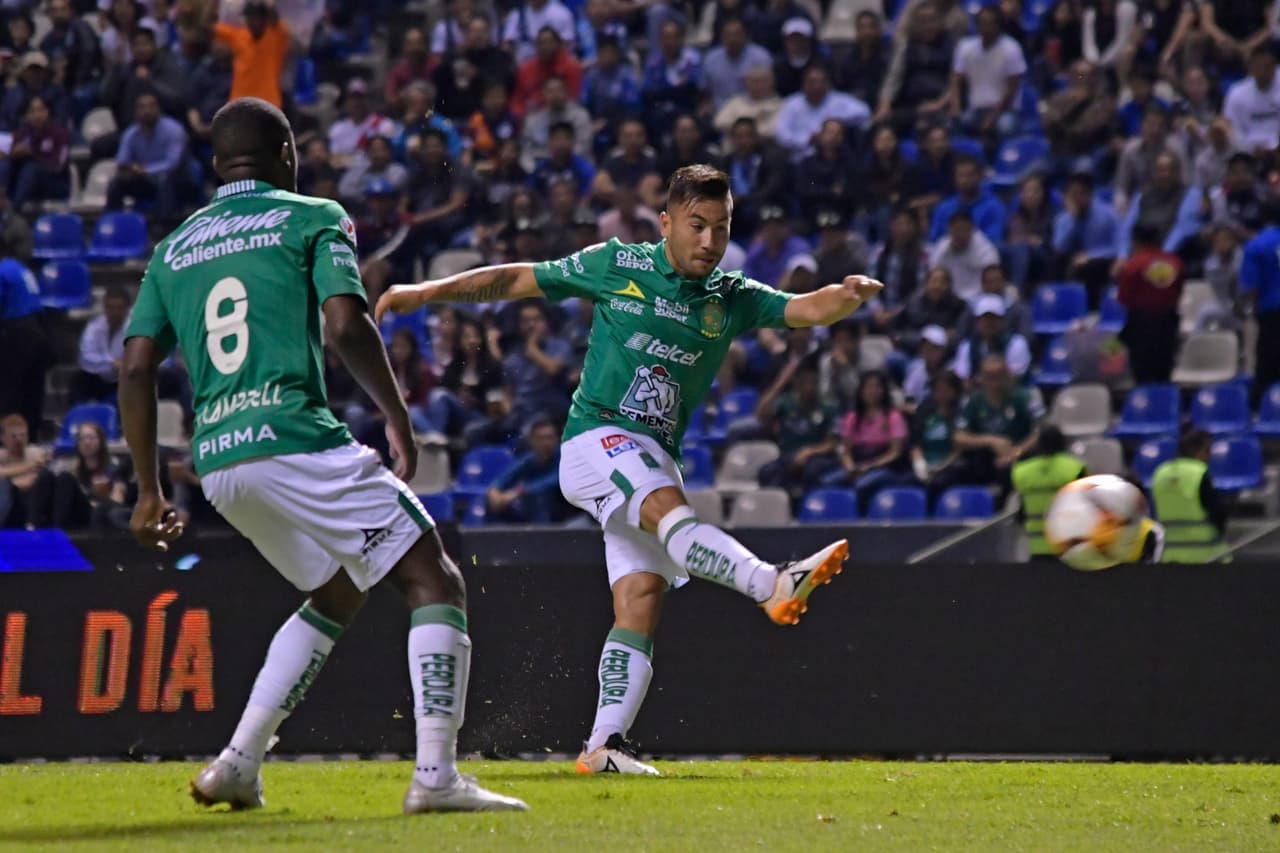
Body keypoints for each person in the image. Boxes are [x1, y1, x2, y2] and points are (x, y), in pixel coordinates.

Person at [377, 163, 881, 775]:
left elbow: (805, 308)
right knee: (671, 512)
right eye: (697, 226)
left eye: (721, 229)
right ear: (666, 222)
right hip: (596, 440)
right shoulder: (619, 264)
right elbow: (518, 279)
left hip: (652, 454)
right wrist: (429, 293)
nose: (709, 242)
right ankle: (770, 584)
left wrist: (848, 296)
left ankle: (603, 746)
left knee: (640, 596)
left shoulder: (731, 297)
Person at [119, 98, 526, 814]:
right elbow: (346, 322)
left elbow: (133, 366)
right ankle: (436, 778)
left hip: (219, 460)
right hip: (294, 435)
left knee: (337, 589)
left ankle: (238, 762)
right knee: (435, 577)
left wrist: (149, 489)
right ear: (288, 155)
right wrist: (397, 416)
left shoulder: (173, 247)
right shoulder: (314, 215)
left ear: (217, 166)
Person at [933, 354, 1039, 501]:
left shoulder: (1024, 397)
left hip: (1017, 459)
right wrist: (991, 441)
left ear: (1008, 375)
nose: (995, 383)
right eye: (990, 377)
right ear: (981, 378)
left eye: (999, 376)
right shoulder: (974, 401)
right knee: (942, 481)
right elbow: (958, 437)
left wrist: (1017, 451)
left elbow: (1041, 431)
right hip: (983, 458)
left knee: (1006, 474)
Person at [755, 355, 840, 501]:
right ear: (797, 383)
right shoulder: (786, 403)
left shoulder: (829, 407)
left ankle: (809, 509)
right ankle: (777, 510)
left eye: (814, 382)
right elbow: (760, 414)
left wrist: (809, 452)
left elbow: (832, 443)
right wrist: (780, 384)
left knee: (812, 470)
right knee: (767, 471)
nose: (810, 387)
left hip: (817, 458)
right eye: (805, 382)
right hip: (789, 457)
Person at [824, 370, 910, 511]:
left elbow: (895, 452)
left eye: (877, 387)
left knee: (862, 485)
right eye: (868, 387)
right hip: (858, 465)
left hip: (884, 467)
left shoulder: (893, 417)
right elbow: (846, 450)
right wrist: (850, 467)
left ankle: (861, 523)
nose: (872, 391)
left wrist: (870, 466)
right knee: (828, 482)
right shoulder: (853, 417)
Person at [107, 91, 189, 225]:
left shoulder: (174, 130)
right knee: (116, 183)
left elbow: (173, 163)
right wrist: (129, 169)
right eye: (142, 107)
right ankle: (112, 226)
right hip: (144, 180)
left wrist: (145, 170)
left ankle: (162, 228)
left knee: (165, 179)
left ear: (159, 109)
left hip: (176, 179)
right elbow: (122, 161)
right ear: (135, 111)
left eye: (151, 106)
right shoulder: (131, 133)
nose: (147, 111)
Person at [1117, 222, 1183, 383]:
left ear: (1135, 241)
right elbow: (1178, 291)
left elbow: (1123, 298)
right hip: (1167, 323)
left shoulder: (1133, 266)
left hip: (1141, 325)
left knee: (1142, 374)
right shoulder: (1175, 263)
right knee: (1164, 372)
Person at [947, 5, 1027, 141]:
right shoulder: (965, 47)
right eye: (982, 23)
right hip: (975, 108)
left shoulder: (1011, 48)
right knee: (950, 126)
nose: (986, 27)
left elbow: (1012, 90)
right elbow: (956, 81)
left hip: (1004, 110)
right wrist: (955, 109)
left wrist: (992, 117)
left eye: (990, 23)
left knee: (1005, 127)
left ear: (998, 25)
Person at [1151, 429, 1229, 562]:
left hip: (1169, 556)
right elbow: (1218, 513)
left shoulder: (1160, 473)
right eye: (1207, 451)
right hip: (1204, 555)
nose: (1209, 457)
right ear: (1196, 450)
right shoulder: (1199, 472)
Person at [1010, 425, 1086, 560]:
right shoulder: (1074, 468)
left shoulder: (1022, 472)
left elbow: (1022, 513)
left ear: (1039, 445)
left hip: (1037, 548)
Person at [773, 63, 869, 162]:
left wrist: (836, 121)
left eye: (821, 82)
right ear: (803, 83)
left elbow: (864, 113)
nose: (817, 86)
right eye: (812, 82)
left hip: (833, 159)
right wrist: (807, 139)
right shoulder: (792, 104)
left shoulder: (837, 100)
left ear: (827, 84)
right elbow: (781, 135)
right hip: (800, 160)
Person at [1052, 171, 1121, 308]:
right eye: (1072, 194)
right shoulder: (1064, 219)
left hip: (1101, 262)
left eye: (1080, 193)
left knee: (1089, 267)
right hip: (1072, 262)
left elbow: (1119, 247)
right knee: (1056, 263)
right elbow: (1059, 247)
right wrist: (1073, 220)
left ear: (1089, 194)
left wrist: (1092, 255)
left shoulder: (1108, 214)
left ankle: (1092, 310)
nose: (1076, 198)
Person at [485, 417, 570, 523]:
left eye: (549, 437)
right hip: (533, 514)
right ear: (531, 441)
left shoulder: (566, 459)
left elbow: (552, 481)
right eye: (540, 438)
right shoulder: (529, 459)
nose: (546, 443)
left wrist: (518, 491)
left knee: (539, 498)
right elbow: (506, 476)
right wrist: (494, 491)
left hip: (565, 515)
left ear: (557, 439)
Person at [0, 246, 46, 434]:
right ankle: (32, 435)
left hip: (18, 332)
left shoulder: (2, 270)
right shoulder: (19, 266)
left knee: (11, 392)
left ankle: (7, 439)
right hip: (40, 328)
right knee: (33, 391)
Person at [209, 0, 289, 107]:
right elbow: (208, 27)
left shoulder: (276, 36)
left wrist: (267, 4)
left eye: (256, 17)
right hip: (239, 104)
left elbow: (275, 19)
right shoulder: (239, 36)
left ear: (264, 18)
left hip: (268, 105)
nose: (251, 21)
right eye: (249, 17)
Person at [1241, 209, 1280, 405]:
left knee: (1268, 364)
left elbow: (1251, 287)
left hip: (1271, 312)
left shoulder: (1257, 245)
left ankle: (1265, 410)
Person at [72, 285, 132, 404]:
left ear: (127, 309)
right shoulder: (94, 326)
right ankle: (77, 417)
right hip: (99, 378)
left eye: (119, 308)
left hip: (125, 381)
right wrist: (112, 363)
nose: (114, 312)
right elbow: (85, 358)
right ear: (104, 307)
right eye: (110, 308)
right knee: (78, 380)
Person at [951, 294, 1031, 383]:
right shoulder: (967, 346)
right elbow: (965, 381)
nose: (989, 323)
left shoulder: (1017, 343)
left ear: (1002, 321)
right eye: (985, 318)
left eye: (994, 318)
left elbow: (1014, 379)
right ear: (977, 321)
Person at [929, 155, 1008, 244]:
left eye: (970, 175)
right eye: (960, 176)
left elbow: (993, 241)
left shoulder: (994, 207)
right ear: (954, 178)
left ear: (980, 176)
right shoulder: (943, 208)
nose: (964, 180)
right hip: (948, 255)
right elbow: (933, 241)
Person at [929, 211, 1001, 301]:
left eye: (965, 229)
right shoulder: (942, 247)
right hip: (948, 299)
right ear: (949, 229)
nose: (961, 234)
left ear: (972, 229)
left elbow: (994, 280)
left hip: (979, 299)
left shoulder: (986, 250)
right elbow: (932, 275)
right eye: (957, 229)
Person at [1222, 45, 1280, 154]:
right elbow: (1231, 129)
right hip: (1247, 150)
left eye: (1267, 66)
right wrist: (1249, 148)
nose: (1263, 71)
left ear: (1274, 66)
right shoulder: (1237, 92)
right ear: (1251, 67)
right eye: (1258, 66)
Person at [0, 411, 53, 528]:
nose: (18, 440)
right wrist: (30, 467)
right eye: (13, 436)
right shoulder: (1, 455)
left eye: (22, 435)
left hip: (32, 505)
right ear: (3, 438)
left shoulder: (35, 453)